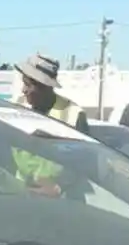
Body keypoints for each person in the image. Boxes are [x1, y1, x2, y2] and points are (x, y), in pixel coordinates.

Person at [11, 53, 86, 196]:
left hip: (62, 202)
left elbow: (85, 161)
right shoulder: (15, 109)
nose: (23, 90)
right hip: (21, 196)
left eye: (28, 84)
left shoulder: (73, 114)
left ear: (44, 87)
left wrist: (59, 187)